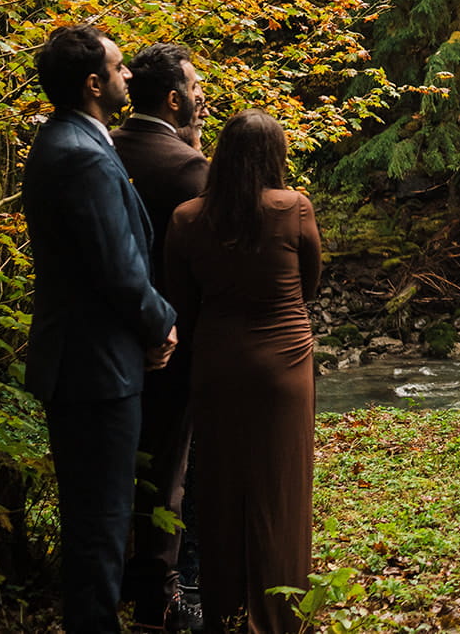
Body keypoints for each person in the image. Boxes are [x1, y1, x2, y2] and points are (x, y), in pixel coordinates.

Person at [22, 25, 178, 634]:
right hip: (95, 371)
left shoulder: (66, 139)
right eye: (120, 68)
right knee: (101, 526)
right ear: (94, 84)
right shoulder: (82, 155)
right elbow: (116, 267)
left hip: (85, 363)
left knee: (96, 522)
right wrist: (161, 322)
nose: (130, 76)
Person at [164, 111, 320, 634]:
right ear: (274, 156)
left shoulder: (188, 218)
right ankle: (280, 615)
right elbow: (311, 281)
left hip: (217, 361)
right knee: (281, 488)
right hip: (284, 363)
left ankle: (226, 612)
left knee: (221, 488)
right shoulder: (293, 207)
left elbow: (180, 301)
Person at [113, 43, 208, 632]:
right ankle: (164, 594)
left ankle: (127, 576)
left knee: (127, 461)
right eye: (196, 86)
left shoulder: (108, 148)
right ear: (174, 99)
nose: (203, 94)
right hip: (176, 336)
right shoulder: (188, 170)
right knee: (170, 470)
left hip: (114, 336)